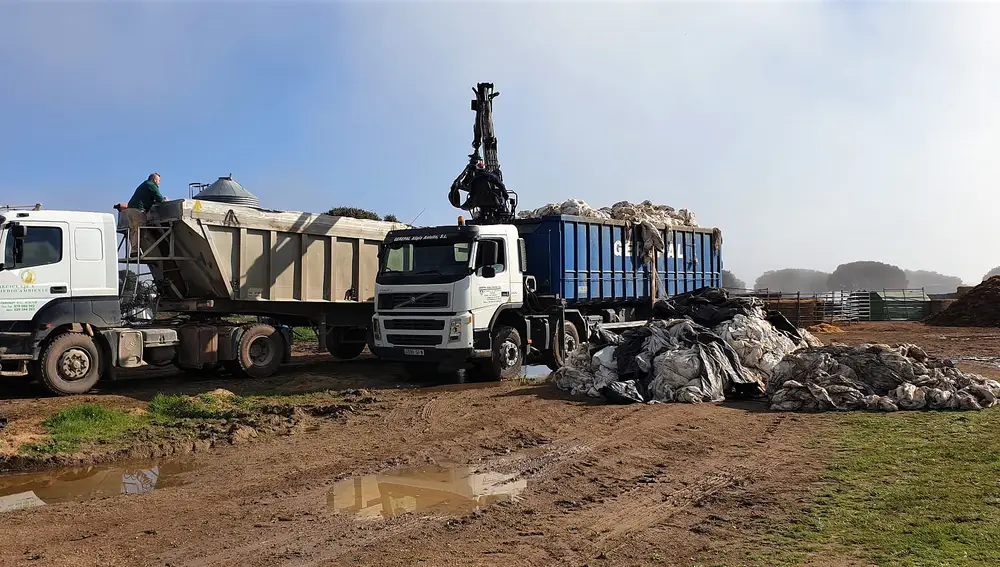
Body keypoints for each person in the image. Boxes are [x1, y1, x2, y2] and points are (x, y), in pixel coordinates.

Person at [122, 173, 167, 256]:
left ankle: (134, 251)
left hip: (130, 210)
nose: (159, 183)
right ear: (154, 179)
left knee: (134, 231)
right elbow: (159, 198)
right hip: (138, 210)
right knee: (141, 230)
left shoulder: (144, 185)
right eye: (159, 181)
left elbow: (148, 199)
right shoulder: (151, 184)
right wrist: (165, 200)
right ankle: (137, 251)